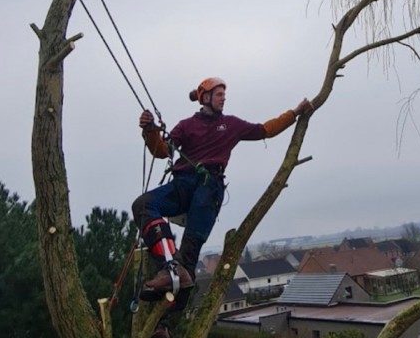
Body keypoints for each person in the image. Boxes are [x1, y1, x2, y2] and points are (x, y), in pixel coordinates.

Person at [132, 76, 312, 301]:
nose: (223, 99)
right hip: (183, 183)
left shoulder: (231, 125)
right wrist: (150, 132)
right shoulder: (187, 126)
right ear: (205, 97)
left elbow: (266, 129)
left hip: (209, 188)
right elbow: (161, 151)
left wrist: (294, 112)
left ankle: (165, 324)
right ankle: (168, 266)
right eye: (219, 95)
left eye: (224, 96)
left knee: (188, 260)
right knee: (143, 205)